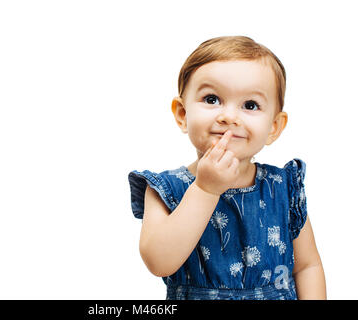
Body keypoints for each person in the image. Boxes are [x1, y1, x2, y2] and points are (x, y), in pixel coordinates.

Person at [128, 36, 326, 300]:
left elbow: (307, 266)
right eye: (212, 99)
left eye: (250, 105)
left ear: (274, 127)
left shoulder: (282, 188)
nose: (229, 117)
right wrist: (205, 189)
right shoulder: (166, 189)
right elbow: (159, 262)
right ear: (182, 114)